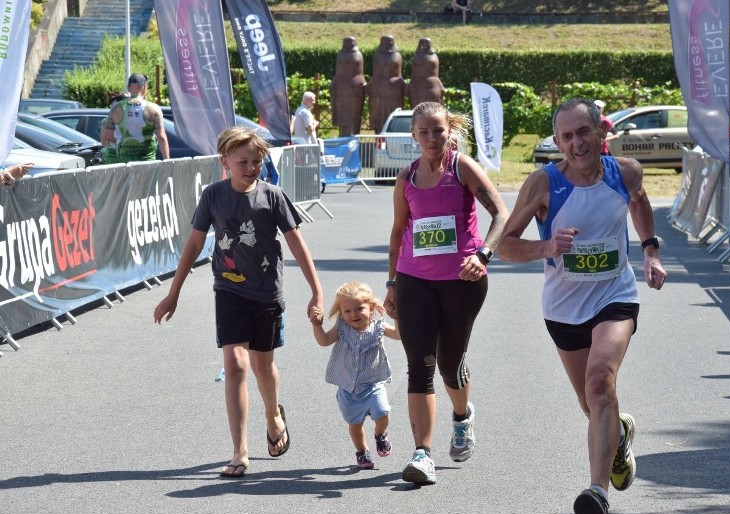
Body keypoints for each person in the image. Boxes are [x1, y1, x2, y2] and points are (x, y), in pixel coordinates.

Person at [498, 98, 667, 514]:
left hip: (615, 294)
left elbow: (640, 202)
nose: (576, 143)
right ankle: (619, 436)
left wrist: (650, 251)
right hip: (563, 307)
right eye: (567, 136)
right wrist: (547, 248)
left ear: (601, 133)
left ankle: (597, 493)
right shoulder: (543, 184)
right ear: (557, 142)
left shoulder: (625, 172)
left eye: (583, 132)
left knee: (599, 380)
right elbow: (505, 245)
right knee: (591, 404)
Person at [153, 126, 323, 478]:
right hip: (229, 291)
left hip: (266, 293)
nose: (250, 167)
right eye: (242, 161)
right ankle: (240, 450)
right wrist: (174, 292)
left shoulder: (273, 196)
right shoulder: (213, 196)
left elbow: (296, 244)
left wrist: (316, 291)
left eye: (256, 161)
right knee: (235, 365)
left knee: (262, 367)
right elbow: (195, 245)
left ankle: (273, 414)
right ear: (225, 161)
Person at [383, 101, 509, 486]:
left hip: (462, 281)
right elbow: (398, 232)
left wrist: (483, 255)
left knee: (450, 362)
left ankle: (461, 416)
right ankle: (422, 453)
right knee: (420, 364)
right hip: (413, 278)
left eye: (438, 130)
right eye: (424, 131)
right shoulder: (405, 178)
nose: (432, 138)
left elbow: (501, 214)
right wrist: (391, 283)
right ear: (413, 136)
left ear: (448, 129)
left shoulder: (462, 167)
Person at [309, 282, 401, 469]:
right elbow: (324, 341)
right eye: (347, 311)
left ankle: (380, 434)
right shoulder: (342, 328)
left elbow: (399, 335)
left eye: (360, 309)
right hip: (348, 389)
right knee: (355, 423)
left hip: (373, 384)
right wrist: (316, 325)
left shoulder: (379, 326)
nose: (354, 315)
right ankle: (362, 452)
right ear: (341, 313)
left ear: (372, 307)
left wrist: (397, 316)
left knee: (383, 412)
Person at [103, 73, 169, 163]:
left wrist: (122, 144)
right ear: (145, 88)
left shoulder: (116, 108)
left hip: (124, 161)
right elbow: (161, 136)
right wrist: (167, 160)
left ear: (128, 88)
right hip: (146, 160)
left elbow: (108, 136)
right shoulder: (154, 109)